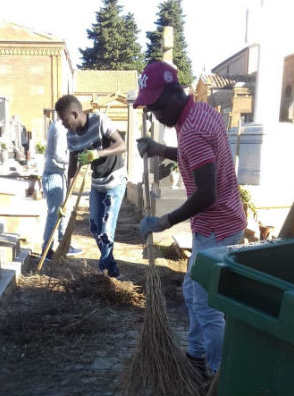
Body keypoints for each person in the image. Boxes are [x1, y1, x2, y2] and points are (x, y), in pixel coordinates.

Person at [134, 61, 247, 376]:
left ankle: (216, 374)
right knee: (191, 292)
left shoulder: (192, 129)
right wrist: (160, 149)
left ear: (173, 95)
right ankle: (197, 354)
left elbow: (206, 193)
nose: (156, 115)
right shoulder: (200, 113)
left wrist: (163, 222)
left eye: (157, 108)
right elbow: (194, 156)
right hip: (223, 222)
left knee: (207, 307)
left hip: (216, 227)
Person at [54, 95, 127, 279]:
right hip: (97, 184)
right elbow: (72, 168)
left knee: (106, 229)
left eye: (64, 120)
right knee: (95, 228)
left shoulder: (100, 121)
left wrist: (97, 153)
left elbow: (122, 145)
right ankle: (112, 269)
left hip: (115, 181)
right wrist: (65, 201)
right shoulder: (71, 136)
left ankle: (104, 272)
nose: (63, 124)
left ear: (75, 113)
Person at [41, 118, 82, 261]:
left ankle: (64, 244)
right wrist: (76, 159)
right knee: (54, 214)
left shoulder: (64, 128)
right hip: (53, 175)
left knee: (65, 210)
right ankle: (47, 250)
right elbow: (59, 155)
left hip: (59, 174)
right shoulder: (59, 128)